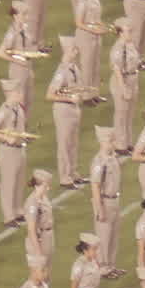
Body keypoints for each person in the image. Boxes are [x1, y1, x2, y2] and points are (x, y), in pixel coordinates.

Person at [0, 85, 33, 225]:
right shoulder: (4, 110)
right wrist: (6, 138)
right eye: (18, 92)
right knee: (9, 183)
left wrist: (25, 137)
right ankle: (8, 216)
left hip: (20, 148)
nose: (21, 94)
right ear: (10, 93)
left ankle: (18, 210)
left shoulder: (18, 108)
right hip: (9, 150)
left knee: (19, 181)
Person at [48, 42, 89, 187]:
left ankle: (73, 172)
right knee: (65, 144)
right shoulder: (62, 71)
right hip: (64, 110)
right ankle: (65, 177)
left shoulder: (74, 67)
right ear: (66, 51)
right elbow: (50, 95)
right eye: (73, 49)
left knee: (73, 143)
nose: (76, 52)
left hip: (74, 109)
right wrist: (69, 98)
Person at [88, 125, 124, 271]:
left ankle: (111, 265)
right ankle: (102, 267)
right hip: (105, 201)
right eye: (110, 140)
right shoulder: (98, 162)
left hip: (114, 199)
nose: (113, 143)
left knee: (113, 236)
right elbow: (95, 186)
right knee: (104, 236)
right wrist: (99, 208)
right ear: (102, 142)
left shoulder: (112, 158)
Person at [73, 0, 108, 93]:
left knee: (96, 66)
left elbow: (96, 18)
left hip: (95, 36)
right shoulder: (82, 2)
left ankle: (95, 93)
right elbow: (78, 23)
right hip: (86, 37)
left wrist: (102, 25)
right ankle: (86, 95)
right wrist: (95, 31)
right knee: (87, 67)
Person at [24, 169, 56, 265]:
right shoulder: (32, 203)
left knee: (47, 273)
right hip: (39, 240)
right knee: (40, 273)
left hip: (47, 237)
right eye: (46, 186)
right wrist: (38, 251)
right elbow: (31, 229)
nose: (48, 188)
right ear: (37, 185)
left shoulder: (43, 197)